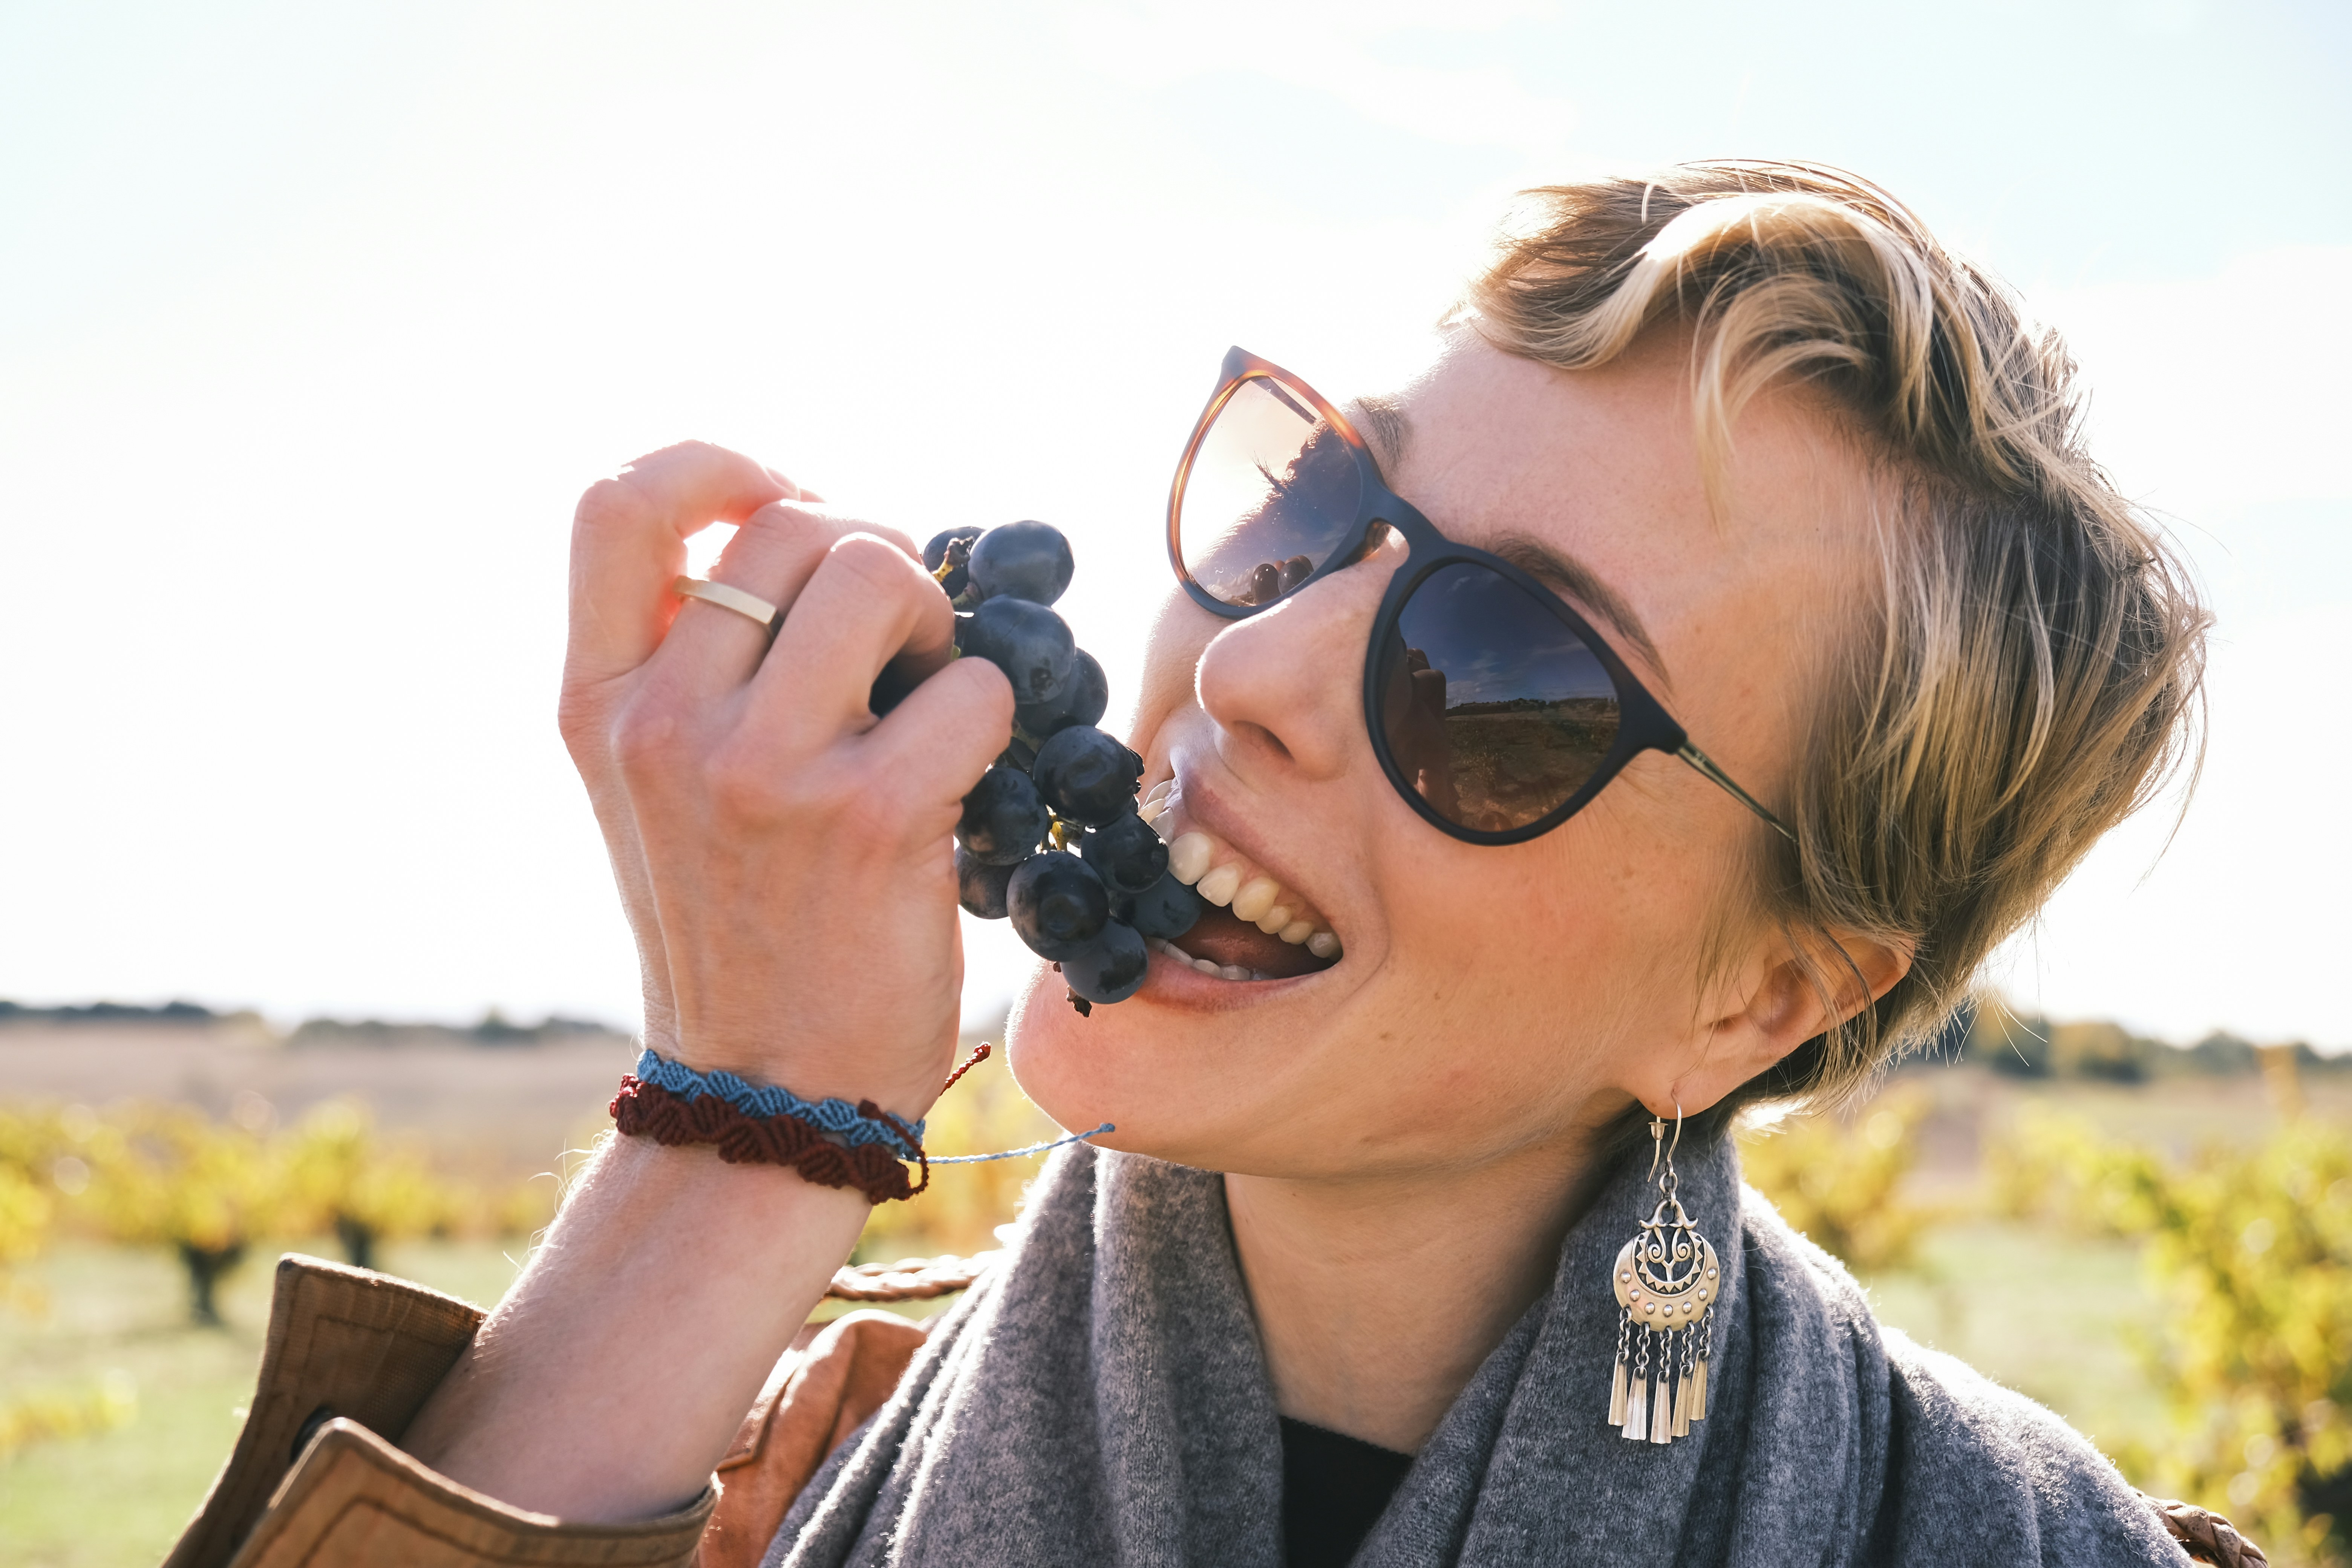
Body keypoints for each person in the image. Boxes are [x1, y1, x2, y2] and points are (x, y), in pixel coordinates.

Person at [168, 162, 2242, 1568]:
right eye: (1315, 506)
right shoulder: (733, 1465)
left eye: (1505, 679)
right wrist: (731, 1143)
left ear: (1764, 999)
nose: (1244, 663)